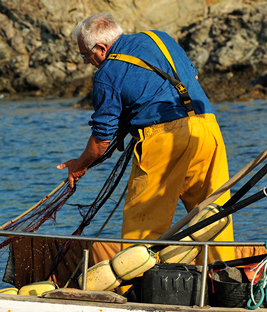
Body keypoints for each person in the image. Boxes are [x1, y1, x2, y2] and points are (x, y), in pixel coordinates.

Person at [57, 13, 235, 262]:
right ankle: (225, 278)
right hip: (207, 127)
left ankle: (134, 285)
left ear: (101, 48)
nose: (87, 61)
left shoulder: (107, 73)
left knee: (143, 224)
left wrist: (79, 165)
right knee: (214, 215)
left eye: (85, 55)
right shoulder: (160, 38)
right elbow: (192, 77)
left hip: (164, 138)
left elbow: (101, 140)